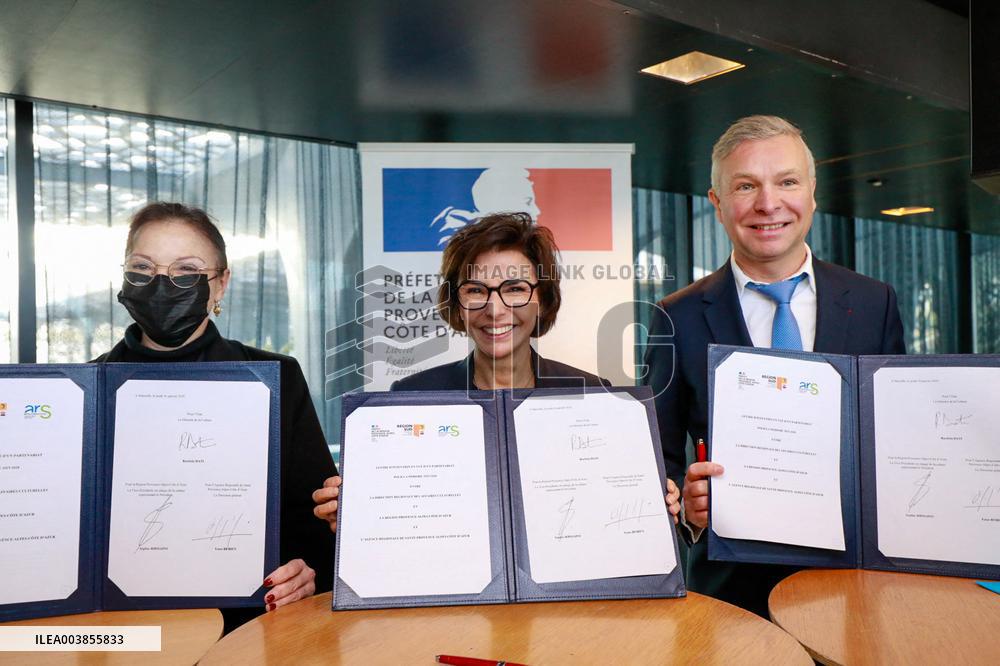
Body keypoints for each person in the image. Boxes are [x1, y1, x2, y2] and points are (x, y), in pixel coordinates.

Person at [644, 115, 905, 616]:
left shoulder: (875, 302)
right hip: (730, 597)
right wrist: (689, 514)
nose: (768, 203)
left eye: (786, 181)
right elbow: (659, 458)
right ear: (717, 203)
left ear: (812, 192)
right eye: (746, 186)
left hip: (856, 591)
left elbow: (895, 439)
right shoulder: (674, 317)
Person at [314, 212, 682, 530]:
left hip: (565, 599)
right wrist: (356, 513)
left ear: (544, 299)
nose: (495, 309)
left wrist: (651, 501)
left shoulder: (592, 393)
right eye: (476, 290)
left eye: (515, 288)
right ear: (457, 305)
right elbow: (396, 515)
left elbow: (612, 509)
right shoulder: (410, 398)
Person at [94, 202, 336, 632]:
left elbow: (316, 517)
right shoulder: (86, 389)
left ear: (220, 284)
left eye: (187, 271)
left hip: (248, 627)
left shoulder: (277, 378)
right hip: (122, 627)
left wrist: (306, 573)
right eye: (142, 268)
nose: (161, 285)